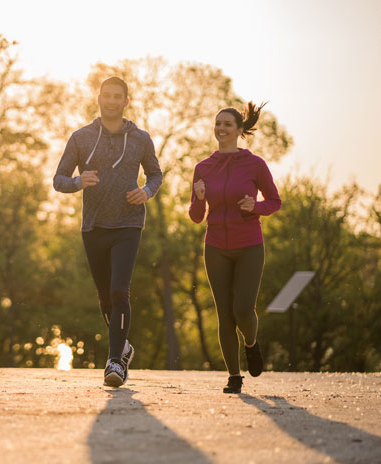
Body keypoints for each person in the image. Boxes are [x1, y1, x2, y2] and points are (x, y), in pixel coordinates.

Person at [54, 77, 163, 387]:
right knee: (105, 297)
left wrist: (146, 191)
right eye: (107, 96)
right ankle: (124, 346)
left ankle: (115, 361)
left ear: (126, 102)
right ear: (98, 98)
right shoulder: (81, 138)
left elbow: (155, 175)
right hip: (94, 225)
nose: (112, 101)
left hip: (129, 223)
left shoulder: (141, 138)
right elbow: (58, 179)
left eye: (118, 97)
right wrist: (78, 182)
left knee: (119, 290)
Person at [189, 102, 281, 393]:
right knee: (224, 314)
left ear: (240, 131)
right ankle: (234, 376)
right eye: (218, 123)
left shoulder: (255, 164)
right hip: (215, 245)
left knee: (243, 309)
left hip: (249, 244)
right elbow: (195, 216)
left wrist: (256, 206)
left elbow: (274, 201)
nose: (221, 129)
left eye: (228, 124)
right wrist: (199, 197)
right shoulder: (203, 167)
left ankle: (251, 344)